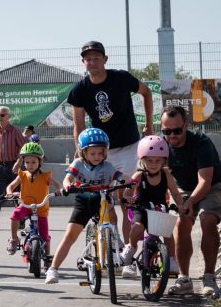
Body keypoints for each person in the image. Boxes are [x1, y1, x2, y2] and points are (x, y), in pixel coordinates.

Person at [67, 40, 153, 278]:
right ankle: (112, 250)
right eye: (88, 58)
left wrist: (149, 123)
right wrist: (80, 153)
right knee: (106, 203)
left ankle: (128, 256)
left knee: (127, 200)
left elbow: (146, 92)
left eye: (96, 57)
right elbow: (79, 126)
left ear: (105, 59)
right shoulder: (80, 89)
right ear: (83, 62)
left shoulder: (121, 78)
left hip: (129, 147)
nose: (92, 62)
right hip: (101, 153)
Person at [45, 128, 122, 284]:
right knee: (70, 236)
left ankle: (116, 241)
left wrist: (131, 181)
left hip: (102, 200)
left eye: (101, 153)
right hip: (83, 202)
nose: (97, 157)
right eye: (93, 153)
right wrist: (67, 186)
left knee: (112, 215)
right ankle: (53, 269)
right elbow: (68, 179)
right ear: (84, 152)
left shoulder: (107, 166)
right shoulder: (78, 163)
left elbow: (120, 176)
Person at [160, 106, 221, 296]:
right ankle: (184, 278)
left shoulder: (201, 143)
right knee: (181, 223)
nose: (172, 135)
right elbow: (150, 170)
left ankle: (209, 277)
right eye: (166, 131)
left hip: (210, 186)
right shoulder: (162, 145)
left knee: (207, 219)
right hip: (182, 188)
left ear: (186, 125)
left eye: (177, 130)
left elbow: (205, 180)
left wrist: (190, 202)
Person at [119, 136, 183, 273]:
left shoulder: (166, 176)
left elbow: (176, 194)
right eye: (149, 160)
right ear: (142, 160)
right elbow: (127, 192)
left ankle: (171, 259)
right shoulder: (138, 176)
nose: (153, 164)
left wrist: (181, 205)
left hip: (159, 209)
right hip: (141, 209)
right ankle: (131, 247)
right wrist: (128, 198)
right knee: (137, 228)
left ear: (163, 161)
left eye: (157, 161)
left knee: (168, 235)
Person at [4, 142, 62, 260]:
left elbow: (57, 185)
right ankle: (14, 239)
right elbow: (10, 186)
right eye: (27, 162)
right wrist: (9, 193)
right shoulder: (23, 175)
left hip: (41, 208)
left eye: (34, 162)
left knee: (45, 236)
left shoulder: (45, 176)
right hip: (25, 205)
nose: (30, 165)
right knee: (15, 214)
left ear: (39, 163)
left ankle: (46, 258)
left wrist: (60, 190)